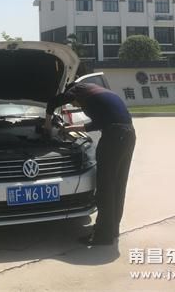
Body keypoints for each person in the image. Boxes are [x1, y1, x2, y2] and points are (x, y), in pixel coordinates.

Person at [45, 82, 136, 246]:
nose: (74, 105)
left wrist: (47, 124)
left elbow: (53, 102)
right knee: (117, 185)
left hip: (114, 136)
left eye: (73, 103)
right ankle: (112, 229)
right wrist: (70, 129)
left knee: (105, 187)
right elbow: (97, 123)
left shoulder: (78, 89)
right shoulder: (97, 93)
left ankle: (102, 236)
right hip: (128, 135)